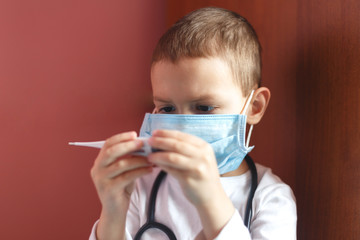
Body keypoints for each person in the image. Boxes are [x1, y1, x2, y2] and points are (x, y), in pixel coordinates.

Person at [89, 7, 297, 240]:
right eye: (167, 108)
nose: (181, 127)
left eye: (204, 108)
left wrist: (210, 199)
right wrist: (113, 211)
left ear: (254, 106)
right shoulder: (141, 186)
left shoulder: (270, 198)